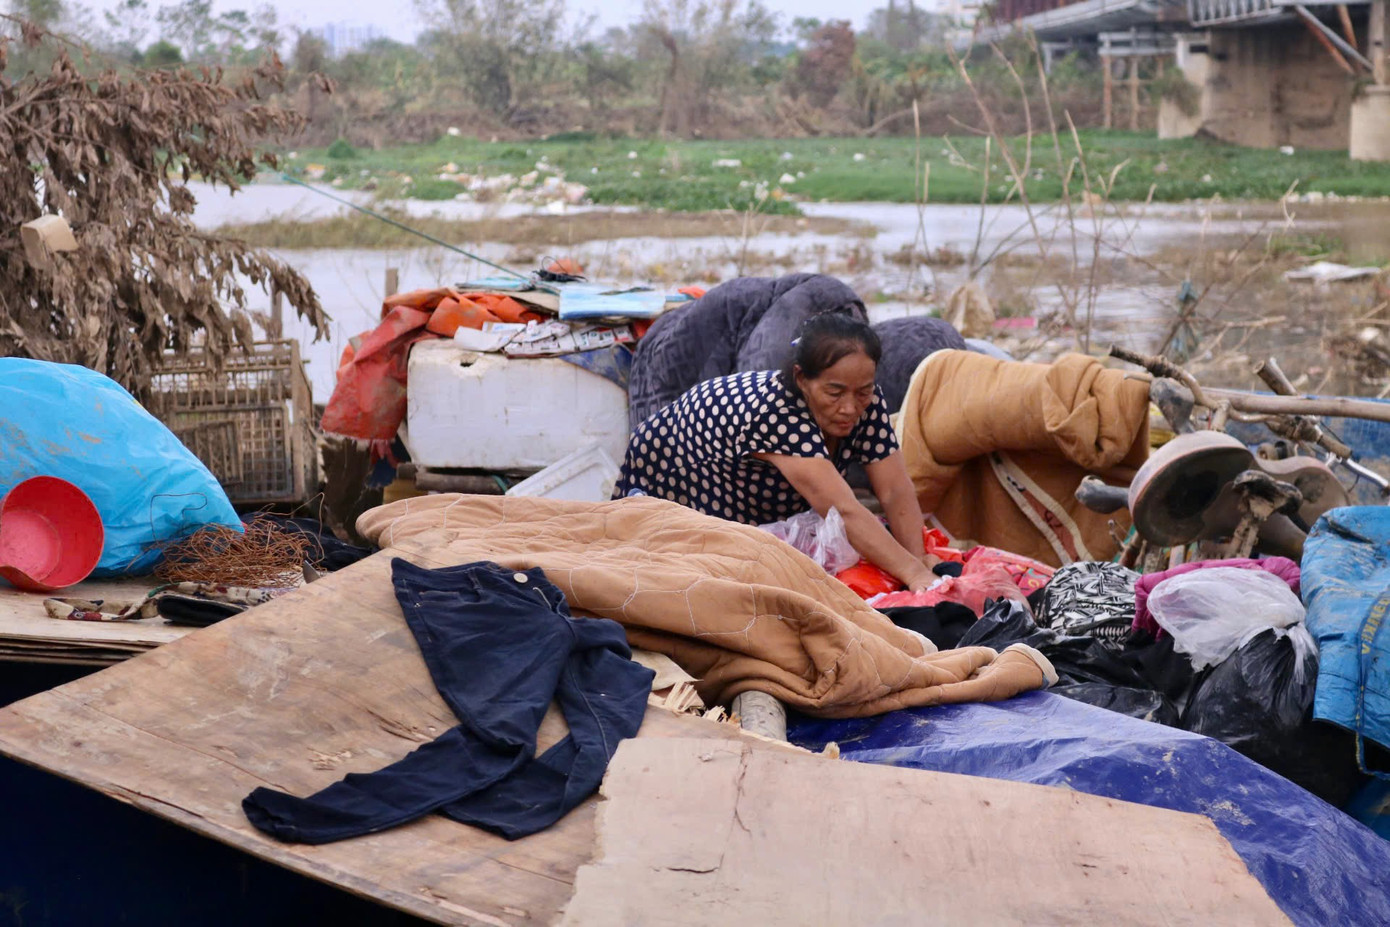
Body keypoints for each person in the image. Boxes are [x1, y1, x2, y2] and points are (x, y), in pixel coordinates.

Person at [613, 312, 938, 591]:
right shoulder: (775, 412)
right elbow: (843, 510)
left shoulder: (868, 401)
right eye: (834, 392)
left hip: (750, 473)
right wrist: (911, 573)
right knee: (708, 561)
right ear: (801, 379)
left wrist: (919, 561)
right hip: (678, 458)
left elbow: (894, 489)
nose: (850, 407)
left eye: (863, 391)